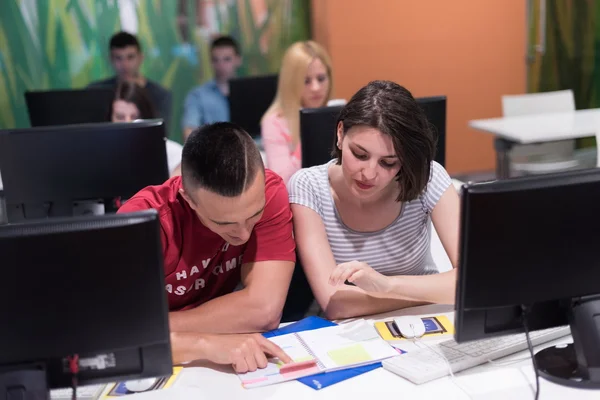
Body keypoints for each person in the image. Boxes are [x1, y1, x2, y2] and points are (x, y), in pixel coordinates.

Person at [117, 122, 296, 370]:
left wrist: (156, 328)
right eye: (224, 223)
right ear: (188, 198)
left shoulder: (271, 191)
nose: (243, 234)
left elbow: (263, 311)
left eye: (254, 215)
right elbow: (114, 334)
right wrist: (203, 344)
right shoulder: (144, 221)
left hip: (194, 353)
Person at [287, 80, 460, 320]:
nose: (369, 173)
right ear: (340, 133)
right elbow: (336, 303)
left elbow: (472, 279)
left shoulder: (428, 177)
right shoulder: (309, 186)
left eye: (388, 162)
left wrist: (386, 286)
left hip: (427, 321)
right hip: (352, 331)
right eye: (359, 154)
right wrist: (436, 291)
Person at [261, 41, 333, 184]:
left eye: (321, 78)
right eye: (306, 81)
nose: (316, 88)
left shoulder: (336, 113)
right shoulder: (274, 122)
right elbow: (282, 181)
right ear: (291, 82)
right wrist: (309, 131)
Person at [89, 31, 172, 130]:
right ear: (111, 59)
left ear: (141, 58)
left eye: (130, 57)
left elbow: (161, 133)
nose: (125, 64)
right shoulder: (95, 92)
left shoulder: (160, 95)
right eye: (118, 58)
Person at [109, 81, 182, 176]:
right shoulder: (100, 154)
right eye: (120, 117)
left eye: (135, 117)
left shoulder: (172, 152)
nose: (128, 123)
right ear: (110, 118)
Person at [182, 36, 242, 141]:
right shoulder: (197, 96)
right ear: (211, 62)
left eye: (227, 59)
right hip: (214, 153)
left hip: (251, 151)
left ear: (238, 60)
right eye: (215, 60)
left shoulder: (251, 92)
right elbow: (189, 133)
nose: (221, 65)